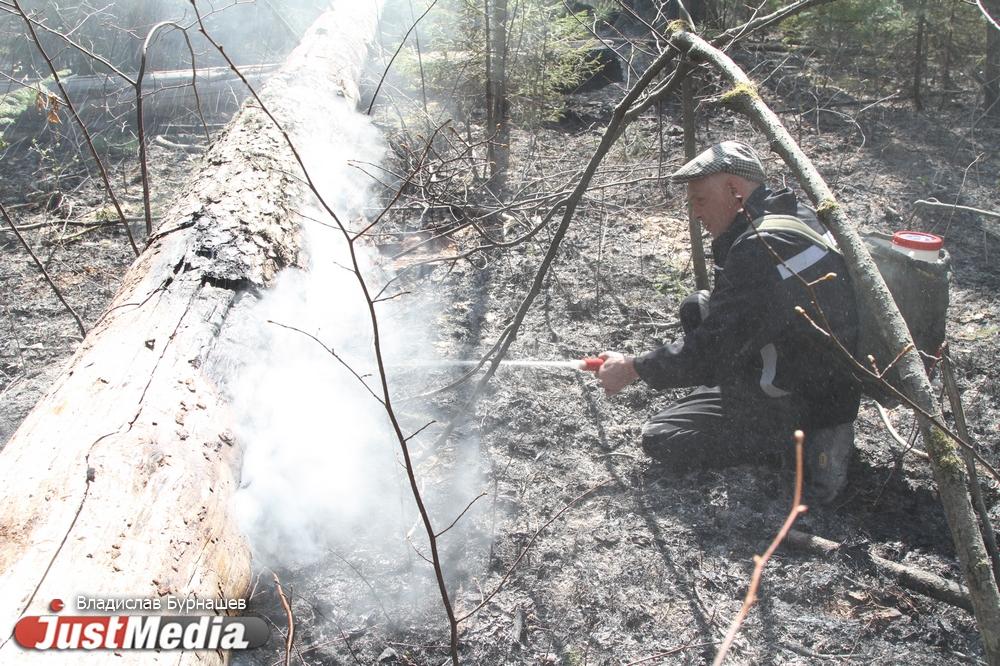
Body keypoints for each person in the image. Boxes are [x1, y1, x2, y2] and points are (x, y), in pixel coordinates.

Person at [597, 141, 860, 503]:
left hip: (804, 398)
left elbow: (712, 350)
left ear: (735, 190)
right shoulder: (794, 215)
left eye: (700, 200)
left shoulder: (762, 247)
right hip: (824, 378)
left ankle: (792, 444)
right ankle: (776, 420)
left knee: (662, 437)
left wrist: (633, 368)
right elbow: (728, 324)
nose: (695, 213)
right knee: (697, 307)